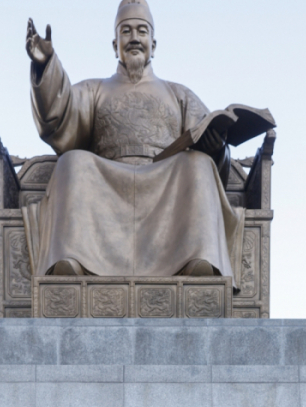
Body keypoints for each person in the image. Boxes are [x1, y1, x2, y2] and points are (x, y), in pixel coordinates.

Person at [26, 0, 245, 284]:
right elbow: (60, 113)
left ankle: (196, 259)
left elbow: (203, 136)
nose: (134, 39)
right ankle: (73, 258)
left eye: (141, 31)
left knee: (200, 165)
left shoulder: (179, 94)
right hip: (108, 180)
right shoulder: (96, 89)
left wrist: (217, 148)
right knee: (72, 161)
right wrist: (46, 66)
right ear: (114, 43)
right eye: (126, 32)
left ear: (153, 43)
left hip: (165, 181)